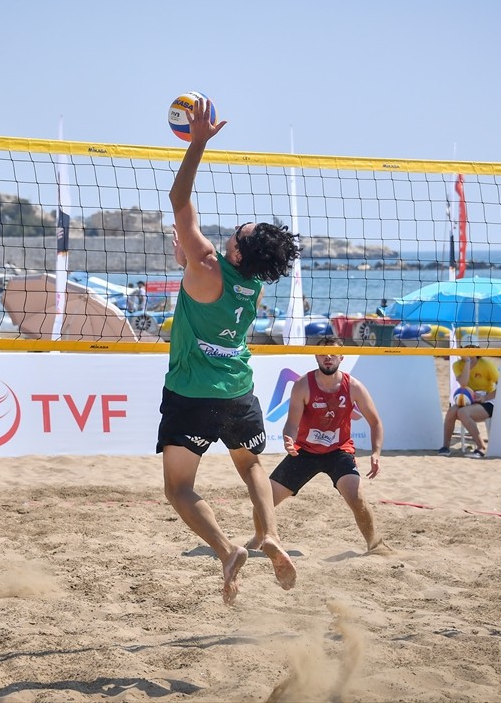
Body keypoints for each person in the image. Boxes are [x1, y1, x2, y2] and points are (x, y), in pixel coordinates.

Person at [158, 98, 302, 605]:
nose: (234, 229)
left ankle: (226, 550)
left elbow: (179, 198)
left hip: (192, 392)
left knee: (179, 488)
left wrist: (197, 142)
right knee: (252, 467)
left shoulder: (209, 266)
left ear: (238, 252)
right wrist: (189, 256)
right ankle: (270, 536)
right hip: (239, 390)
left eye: (237, 233)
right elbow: (198, 266)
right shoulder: (253, 286)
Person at [249, 336, 386, 553]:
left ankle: (375, 544)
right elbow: (291, 424)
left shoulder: (354, 386)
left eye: (332, 353)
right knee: (264, 500)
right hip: (305, 452)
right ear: (315, 356)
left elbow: (376, 422)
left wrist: (376, 452)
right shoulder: (303, 385)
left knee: (356, 497)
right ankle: (258, 537)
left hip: (339, 451)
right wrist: (289, 439)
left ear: (341, 357)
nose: (328, 357)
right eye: (323, 353)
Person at [439, 336, 498, 458]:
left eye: (471, 348)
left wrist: (484, 398)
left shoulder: (487, 365)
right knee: (451, 411)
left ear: (477, 349)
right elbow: (463, 383)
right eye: (465, 348)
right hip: (469, 398)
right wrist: (467, 362)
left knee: (463, 412)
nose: (468, 351)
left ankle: (481, 447)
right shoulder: (457, 365)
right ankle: (445, 447)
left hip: (488, 400)